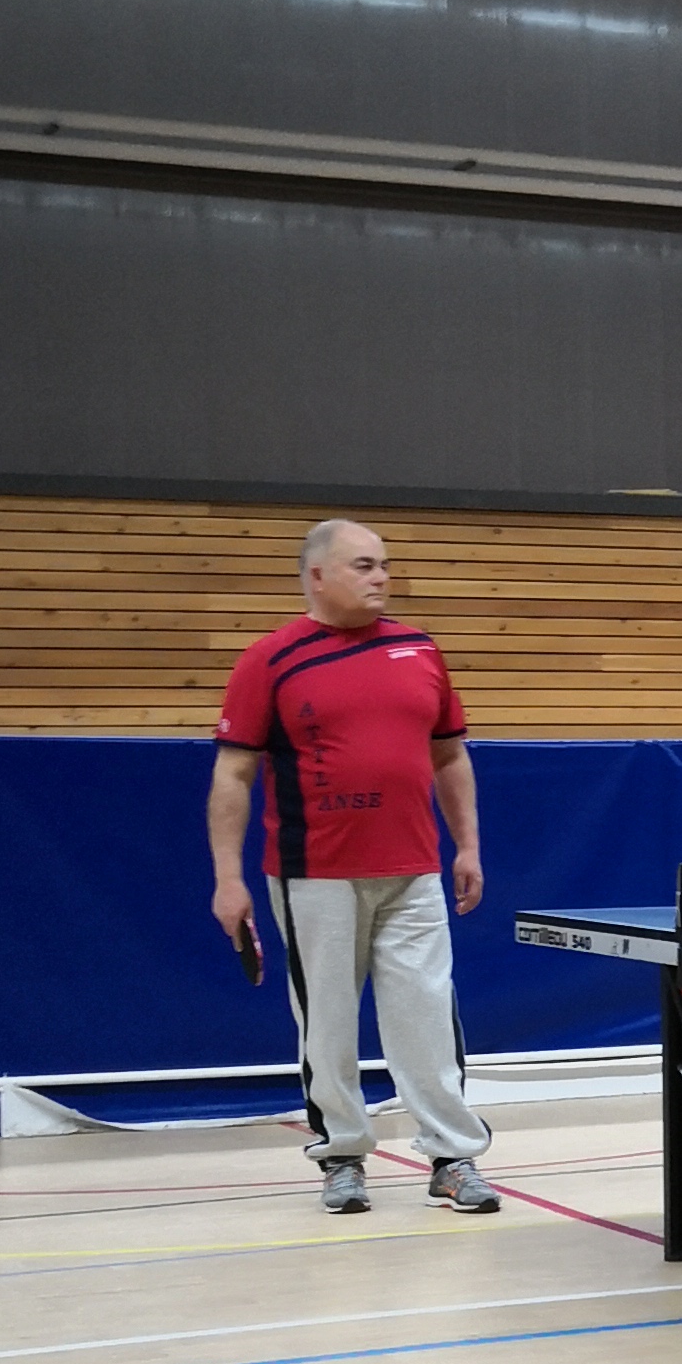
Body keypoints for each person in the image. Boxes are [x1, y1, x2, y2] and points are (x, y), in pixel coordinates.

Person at [206, 518, 498, 1217]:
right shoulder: (269, 660)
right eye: (363, 565)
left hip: (413, 871)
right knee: (328, 1024)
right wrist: (228, 879)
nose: (381, 577)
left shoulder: (419, 650)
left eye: (384, 565)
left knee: (427, 1015)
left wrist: (466, 846)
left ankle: (452, 1158)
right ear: (317, 576)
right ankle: (341, 1157)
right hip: (313, 876)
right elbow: (233, 775)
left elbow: (450, 755)